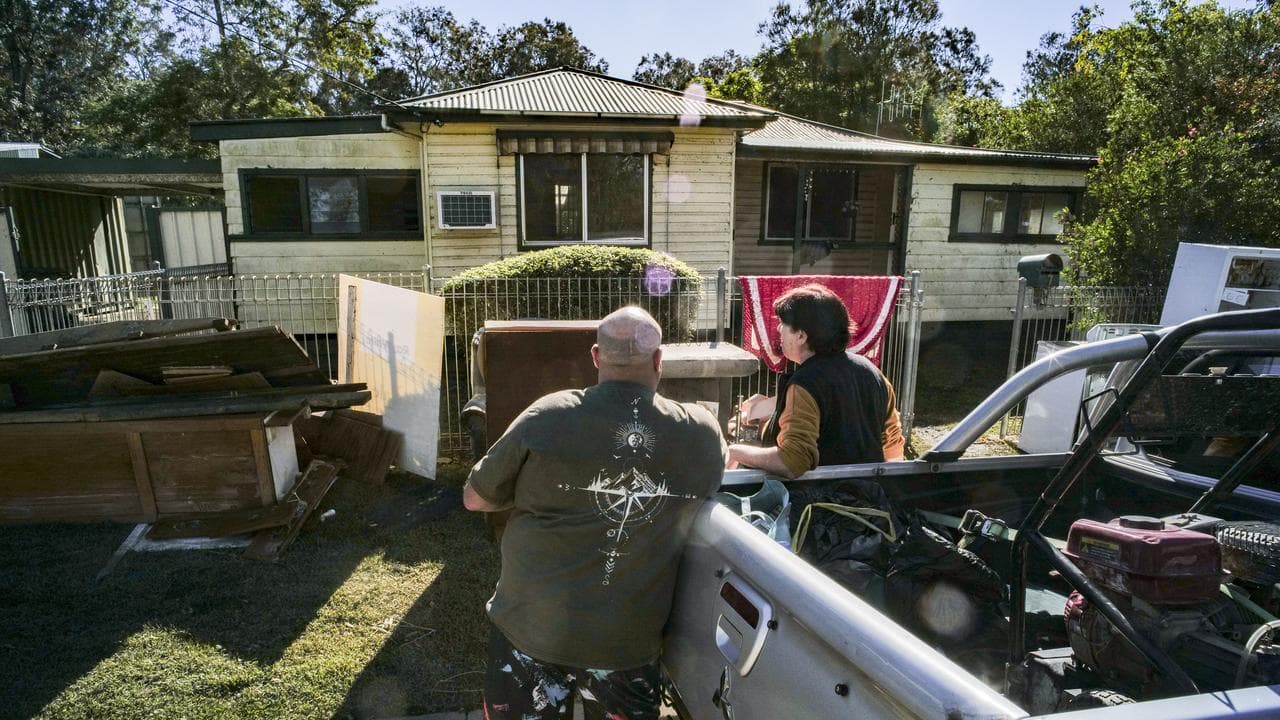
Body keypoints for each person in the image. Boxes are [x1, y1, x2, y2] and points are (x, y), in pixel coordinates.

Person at [463, 306, 727, 720]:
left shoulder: (548, 414)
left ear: (595, 356)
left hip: (528, 631)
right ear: (659, 360)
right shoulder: (702, 431)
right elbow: (709, 484)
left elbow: (475, 498)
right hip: (626, 647)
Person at [728, 283, 904, 478]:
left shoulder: (805, 383)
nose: (779, 328)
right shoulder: (873, 373)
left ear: (801, 335)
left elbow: (793, 461)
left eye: (783, 323)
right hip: (871, 497)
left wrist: (736, 451)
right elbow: (893, 449)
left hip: (819, 499)